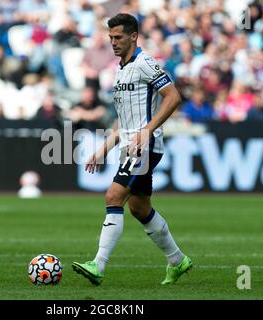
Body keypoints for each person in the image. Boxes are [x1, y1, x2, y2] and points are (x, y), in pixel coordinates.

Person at [72, 13, 192, 286]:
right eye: (110, 37)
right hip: (130, 145)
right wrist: (103, 149)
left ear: (133, 36)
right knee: (139, 208)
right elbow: (125, 122)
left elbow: (173, 96)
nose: (113, 42)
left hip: (145, 145)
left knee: (113, 196)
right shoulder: (122, 69)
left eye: (118, 37)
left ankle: (98, 265)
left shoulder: (145, 63)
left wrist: (148, 130)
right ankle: (177, 260)